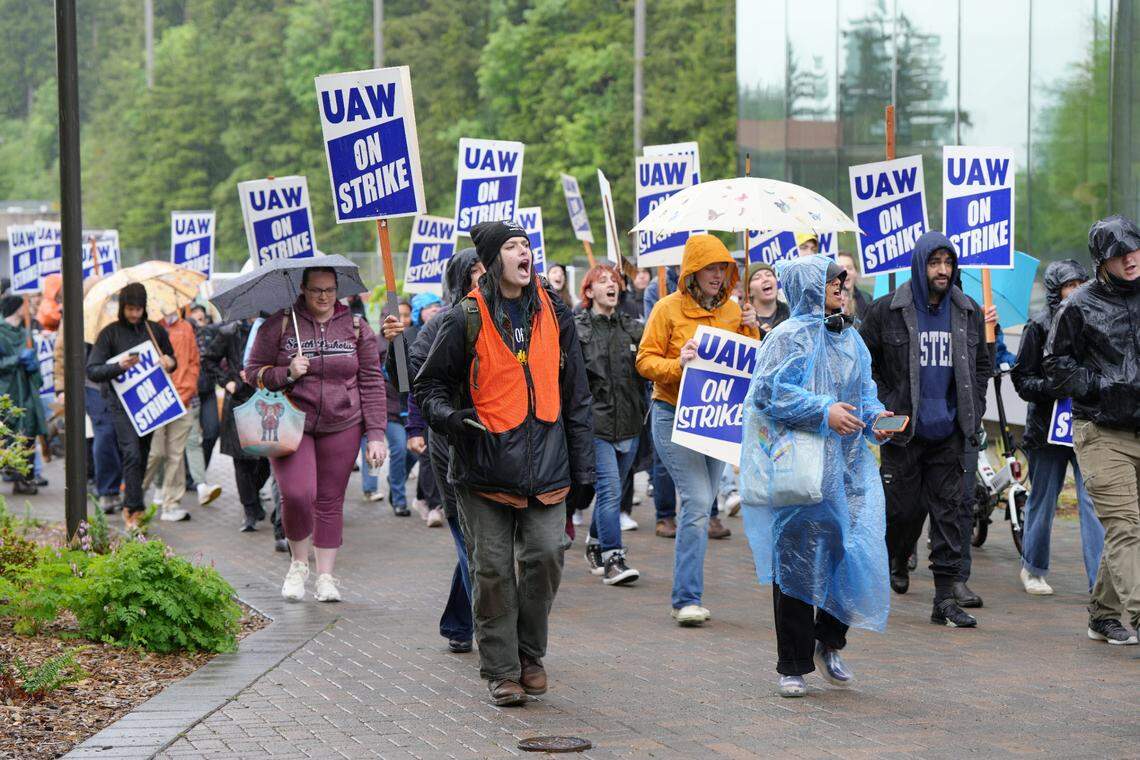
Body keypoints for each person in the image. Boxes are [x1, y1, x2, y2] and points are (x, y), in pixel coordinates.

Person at [414, 220, 594, 706]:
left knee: (546, 556)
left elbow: (577, 394)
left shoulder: (556, 312)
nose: (523, 252)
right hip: (483, 469)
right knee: (492, 570)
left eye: (526, 245)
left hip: (548, 467)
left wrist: (585, 469)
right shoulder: (463, 317)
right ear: (493, 261)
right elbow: (427, 387)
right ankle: (501, 669)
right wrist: (451, 418)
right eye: (513, 246)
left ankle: (529, 655)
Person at [741, 256, 894, 697]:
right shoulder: (786, 338)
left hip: (848, 469)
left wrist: (876, 418)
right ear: (809, 285)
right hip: (801, 468)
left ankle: (829, 641)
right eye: (831, 281)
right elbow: (768, 394)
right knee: (795, 560)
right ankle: (792, 664)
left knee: (853, 552)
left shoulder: (851, 338)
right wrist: (822, 411)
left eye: (842, 281)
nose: (840, 287)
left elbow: (864, 394)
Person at [860, 231, 989, 628]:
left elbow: (981, 366)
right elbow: (865, 363)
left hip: (950, 431)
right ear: (920, 265)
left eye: (948, 263)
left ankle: (944, 598)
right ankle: (898, 556)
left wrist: (974, 408)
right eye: (935, 263)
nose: (943, 270)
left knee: (950, 512)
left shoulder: (967, 310)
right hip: (903, 431)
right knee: (902, 511)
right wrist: (884, 402)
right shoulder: (887, 310)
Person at [636, 234, 759, 626]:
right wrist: (678, 363)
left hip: (715, 421)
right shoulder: (666, 308)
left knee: (702, 505)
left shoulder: (734, 310)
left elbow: (746, 366)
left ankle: (688, 595)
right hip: (673, 416)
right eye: (710, 268)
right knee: (699, 500)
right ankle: (686, 599)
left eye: (723, 268)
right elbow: (644, 361)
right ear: (692, 272)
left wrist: (752, 330)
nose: (718, 275)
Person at [246, 267, 388, 603]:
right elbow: (253, 373)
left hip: (343, 423)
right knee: (297, 493)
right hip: (291, 421)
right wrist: (287, 372)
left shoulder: (356, 327)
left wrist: (376, 433)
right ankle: (298, 564)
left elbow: (371, 380)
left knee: (330, 499)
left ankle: (325, 576)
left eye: (329, 290)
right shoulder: (279, 324)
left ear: (338, 289)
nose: (323, 297)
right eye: (316, 290)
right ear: (303, 289)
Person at [1044, 215, 1140, 645]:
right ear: (1102, 261)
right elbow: (1055, 366)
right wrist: (1102, 386)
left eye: (1135, 249)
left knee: (1129, 529)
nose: (1131, 259)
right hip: (1100, 431)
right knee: (1125, 526)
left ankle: (1102, 614)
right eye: (1120, 253)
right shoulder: (1078, 306)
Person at [399, 247, 484, 653]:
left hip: (499, 445)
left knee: (485, 544)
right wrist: (395, 346)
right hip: (452, 445)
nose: (489, 276)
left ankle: (458, 623)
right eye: (479, 271)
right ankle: (495, 633)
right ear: (463, 279)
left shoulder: (511, 320)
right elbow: (411, 380)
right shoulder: (442, 324)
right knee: (470, 540)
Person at [1012, 259, 1104, 596]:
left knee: (1093, 502)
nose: (1076, 290)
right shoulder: (1037, 326)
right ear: (1056, 291)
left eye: (1081, 283)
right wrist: (1053, 387)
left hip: (1086, 423)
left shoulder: (1096, 320)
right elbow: (1022, 380)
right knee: (1043, 499)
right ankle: (1033, 568)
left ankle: (1100, 581)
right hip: (1046, 429)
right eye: (1069, 285)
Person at [576, 264, 645, 586]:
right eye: (602, 281)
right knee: (610, 490)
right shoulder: (577, 329)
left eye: (614, 280)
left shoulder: (633, 328)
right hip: (596, 425)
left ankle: (594, 542)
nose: (611, 285)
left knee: (612, 492)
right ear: (589, 291)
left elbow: (655, 358)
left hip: (630, 423)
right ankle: (613, 559)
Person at [86, 284, 177, 529]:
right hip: (120, 404)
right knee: (132, 453)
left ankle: (135, 504)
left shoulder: (155, 330)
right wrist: (119, 367)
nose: (134, 314)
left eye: (138, 309)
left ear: (144, 307)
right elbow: (92, 370)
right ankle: (133, 509)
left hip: (149, 402)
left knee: (143, 454)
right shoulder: (110, 333)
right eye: (130, 309)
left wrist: (169, 362)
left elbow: (172, 359)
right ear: (122, 308)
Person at [205, 317, 272, 533]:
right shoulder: (229, 332)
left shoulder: (272, 328)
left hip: (267, 402)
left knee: (266, 460)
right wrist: (227, 381)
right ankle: (250, 510)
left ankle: (254, 498)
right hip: (239, 401)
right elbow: (208, 360)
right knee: (242, 461)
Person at [141, 309, 201, 522]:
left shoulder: (185, 328)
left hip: (182, 399)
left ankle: (171, 503)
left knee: (176, 454)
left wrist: (186, 390)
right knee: (154, 453)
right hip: (157, 401)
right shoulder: (148, 328)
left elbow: (193, 362)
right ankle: (135, 497)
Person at [0, 296, 47, 495]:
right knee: (9, 433)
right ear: (17, 307)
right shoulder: (1, 333)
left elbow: (34, 362)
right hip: (8, 390)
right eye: (24, 304)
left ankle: (25, 478)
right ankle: (13, 474)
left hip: (27, 390)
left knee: (28, 431)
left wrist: (34, 368)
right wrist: (16, 359)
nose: (28, 308)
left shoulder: (26, 333)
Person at [185, 305, 222, 505]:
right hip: (188, 395)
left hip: (207, 392)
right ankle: (192, 477)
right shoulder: (183, 336)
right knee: (189, 439)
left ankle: (198, 473)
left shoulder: (209, 334)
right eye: (195, 320)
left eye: (202, 320)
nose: (199, 324)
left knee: (212, 431)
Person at [747, 262, 790, 339]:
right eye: (757, 278)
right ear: (749, 291)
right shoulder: (744, 319)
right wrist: (757, 333)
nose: (765, 279)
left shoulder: (792, 314)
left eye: (769, 275)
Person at [835, 252, 871, 323]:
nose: (846, 272)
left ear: (856, 272)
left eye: (849, 268)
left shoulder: (867, 299)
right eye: (840, 268)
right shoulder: (826, 301)